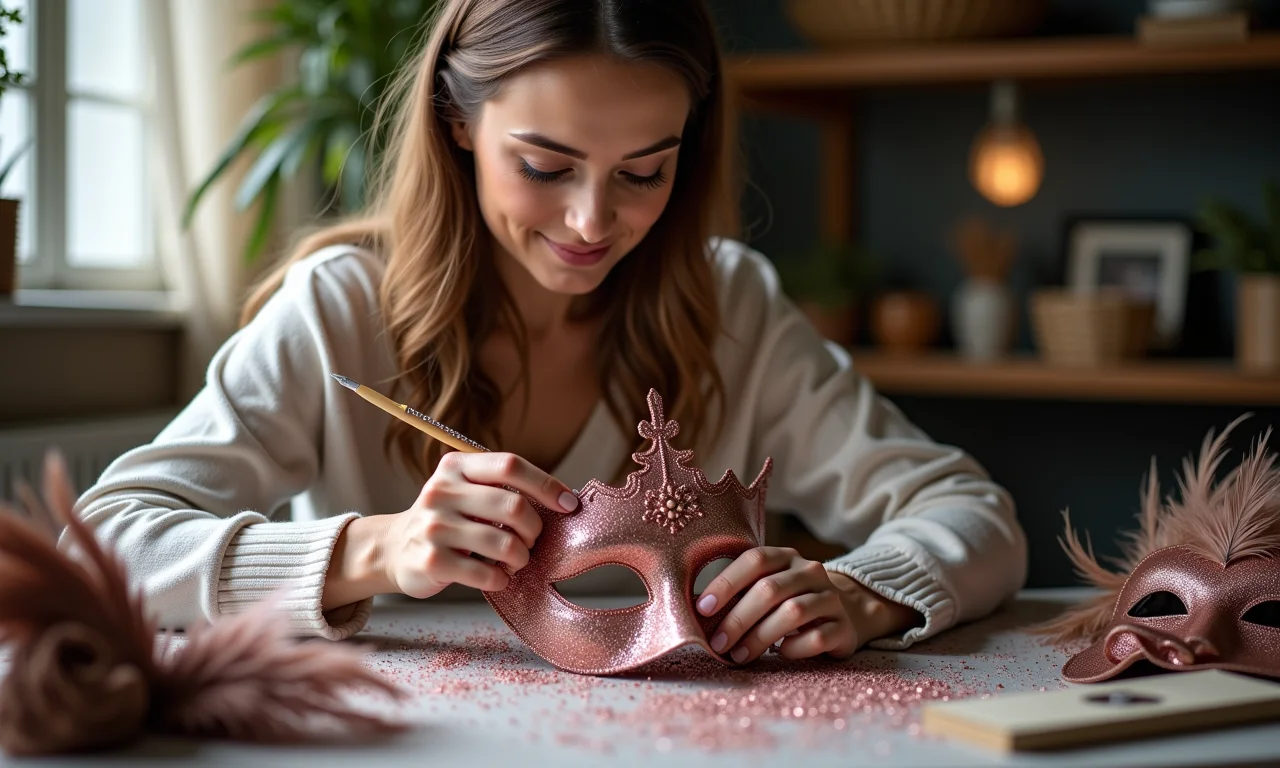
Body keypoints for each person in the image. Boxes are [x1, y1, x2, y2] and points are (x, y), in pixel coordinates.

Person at [75, 0, 1026, 665]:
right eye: (543, 166)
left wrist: (870, 590)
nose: (590, 223)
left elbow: (973, 515)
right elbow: (109, 541)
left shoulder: (731, 306)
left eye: (644, 173)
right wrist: (379, 549)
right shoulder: (338, 309)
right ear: (456, 122)